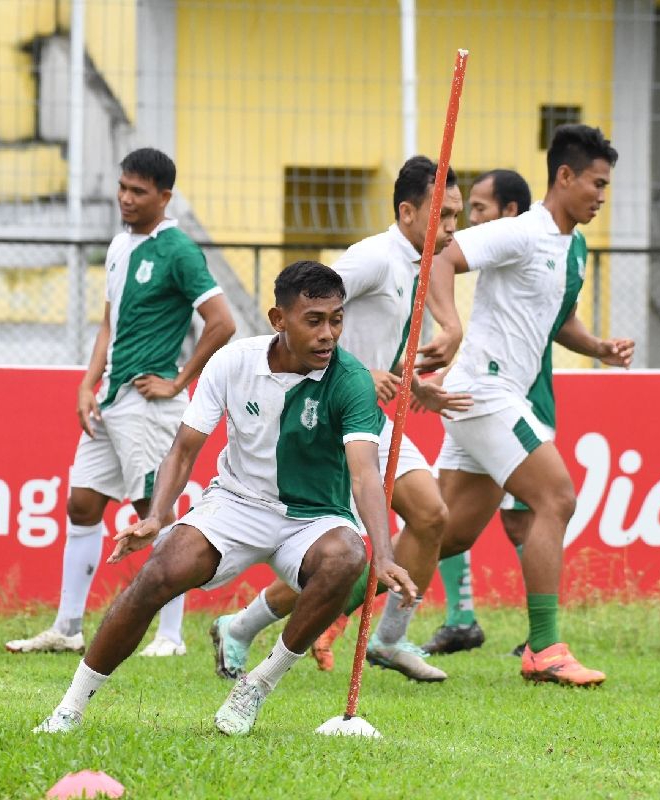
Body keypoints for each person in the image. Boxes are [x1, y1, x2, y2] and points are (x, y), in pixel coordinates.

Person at [34, 260, 416, 737]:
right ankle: (70, 707)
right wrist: (156, 516)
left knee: (349, 556)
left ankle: (256, 685)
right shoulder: (234, 362)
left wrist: (384, 552)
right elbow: (184, 447)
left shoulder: (352, 380)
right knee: (158, 572)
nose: (328, 334)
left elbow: (364, 475)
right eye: (313, 320)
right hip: (236, 503)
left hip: (313, 518)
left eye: (336, 319)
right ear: (279, 320)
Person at [208, 156, 469, 683]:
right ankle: (239, 625)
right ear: (407, 211)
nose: (452, 230)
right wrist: (360, 372)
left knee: (432, 515)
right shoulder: (373, 258)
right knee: (335, 558)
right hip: (330, 419)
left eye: (458, 218)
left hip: (370, 414)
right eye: (443, 217)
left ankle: (389, 641)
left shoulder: (413, 267)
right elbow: (310, 312)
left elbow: (377, 345)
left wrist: (418, 388)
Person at [6, 148, 235, 658]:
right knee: (82, 504)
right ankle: (67, 627)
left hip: (149, 405)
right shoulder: (118, 245)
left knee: (153, 510)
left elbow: (223, 321)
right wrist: (87, 384)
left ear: (164, 196)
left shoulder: (177, 250)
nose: (126, 199)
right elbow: (108, 323)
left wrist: (178, 382)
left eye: (138, 191)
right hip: (110, 400)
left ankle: (171, 636)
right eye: (123, 187)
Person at [428, 125, 633, 687]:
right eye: (596, 183)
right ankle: (544, 647)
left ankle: (308, 611)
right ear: (564, 177)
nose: (601, 195)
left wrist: (598, 347)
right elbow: (441, 258)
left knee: (444, 535)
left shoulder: (575, 247)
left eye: (607, 186)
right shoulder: (520, 231)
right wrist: (450, 326)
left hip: (498, 397)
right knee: (557, 497)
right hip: (483, 391)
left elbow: (559, 320)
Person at [425, 168, 533, 656]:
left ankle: (543, 636)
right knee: (437, 523)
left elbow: (556, 323)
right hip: (477, 393)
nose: (465, 223)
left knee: (542, 507)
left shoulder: (544, 248)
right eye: (456, 213)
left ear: (509, 214)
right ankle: (458, 617)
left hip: (515, 400)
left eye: (478, 211)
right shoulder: (504, 261)